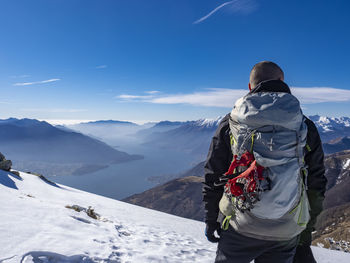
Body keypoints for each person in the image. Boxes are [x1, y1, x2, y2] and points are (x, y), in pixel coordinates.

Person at [203, 61, 327, 263]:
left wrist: (211, 218)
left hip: (239, 226)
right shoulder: (304, 126)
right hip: (286, 229)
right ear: (282, 81)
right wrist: (307, 224)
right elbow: (316, 180)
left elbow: (213, 173)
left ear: (250, 87)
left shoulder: (232, 122)